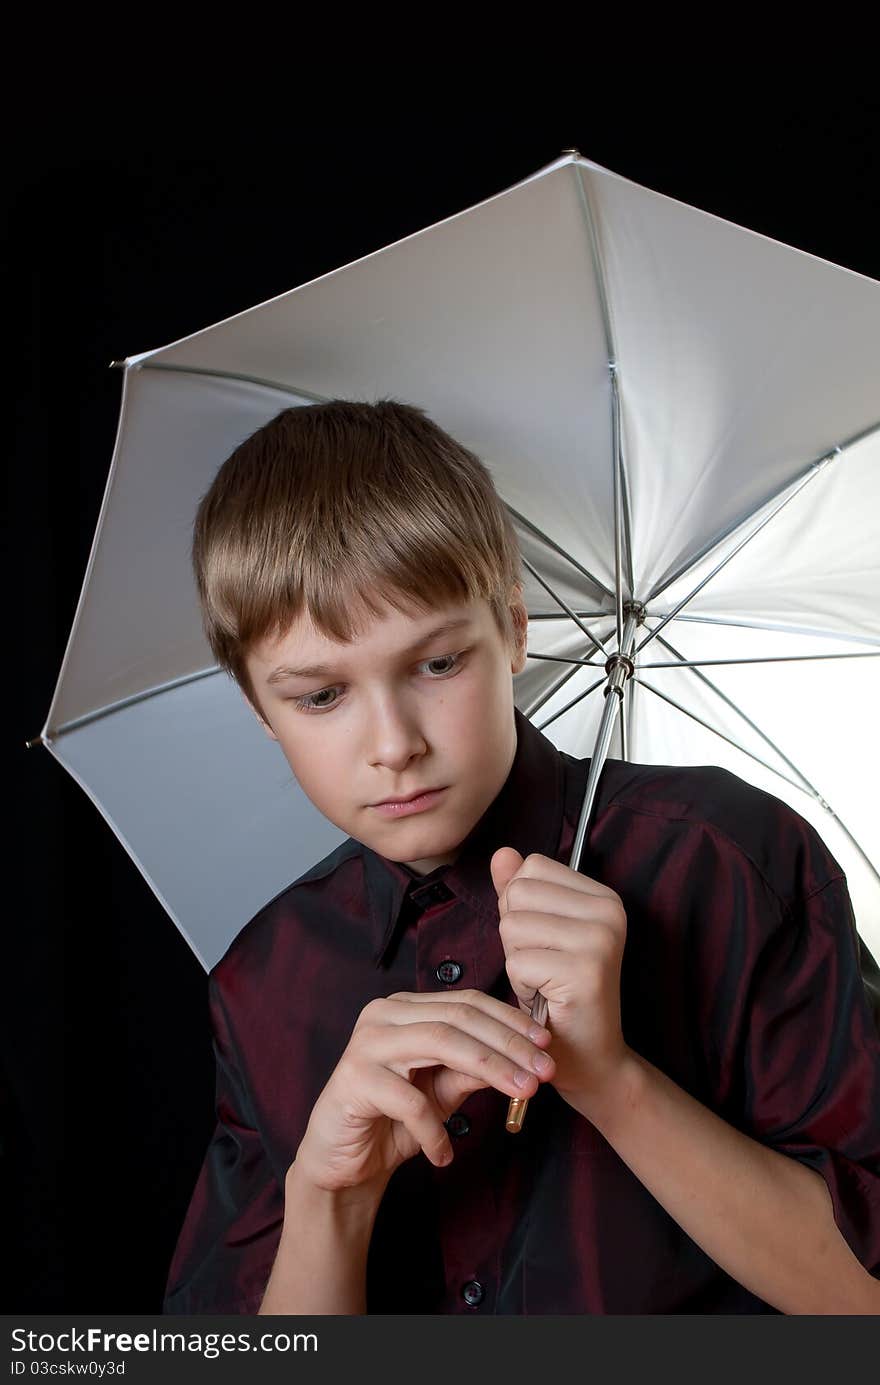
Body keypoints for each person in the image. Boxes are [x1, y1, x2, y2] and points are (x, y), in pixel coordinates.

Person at [162, 399, 880, 1316]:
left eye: (436, 665)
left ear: (512, 625)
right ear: (261, 711)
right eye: (320, 696)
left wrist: (614, 1081)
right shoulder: (264, 981)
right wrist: (327, 1201)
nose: (393, 744)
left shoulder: (727, 860)